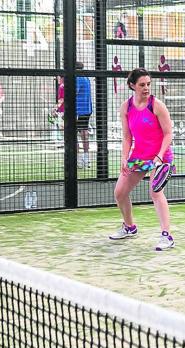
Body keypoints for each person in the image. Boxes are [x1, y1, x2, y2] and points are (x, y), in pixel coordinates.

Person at [109, 68, 175, 251]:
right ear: (132, 85)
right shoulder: (126, 107)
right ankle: (130, 227)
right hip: (139, 156)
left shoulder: (157, 105)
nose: (146, 88)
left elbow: (169, 134)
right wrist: (124, 158)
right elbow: (127, 137)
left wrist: (159, 157)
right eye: (142, 85)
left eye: (148, 84)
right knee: (120, 192)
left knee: (155, 192)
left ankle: (166, 236)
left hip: (161, 156)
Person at [75, 62, 93, 168]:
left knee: (73, 135)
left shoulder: (77, 79)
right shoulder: (86, 79)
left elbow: (73, 92)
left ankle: (77, 160)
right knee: (84, 133)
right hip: (87, 110)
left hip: (78, 110)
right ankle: (86, 159)